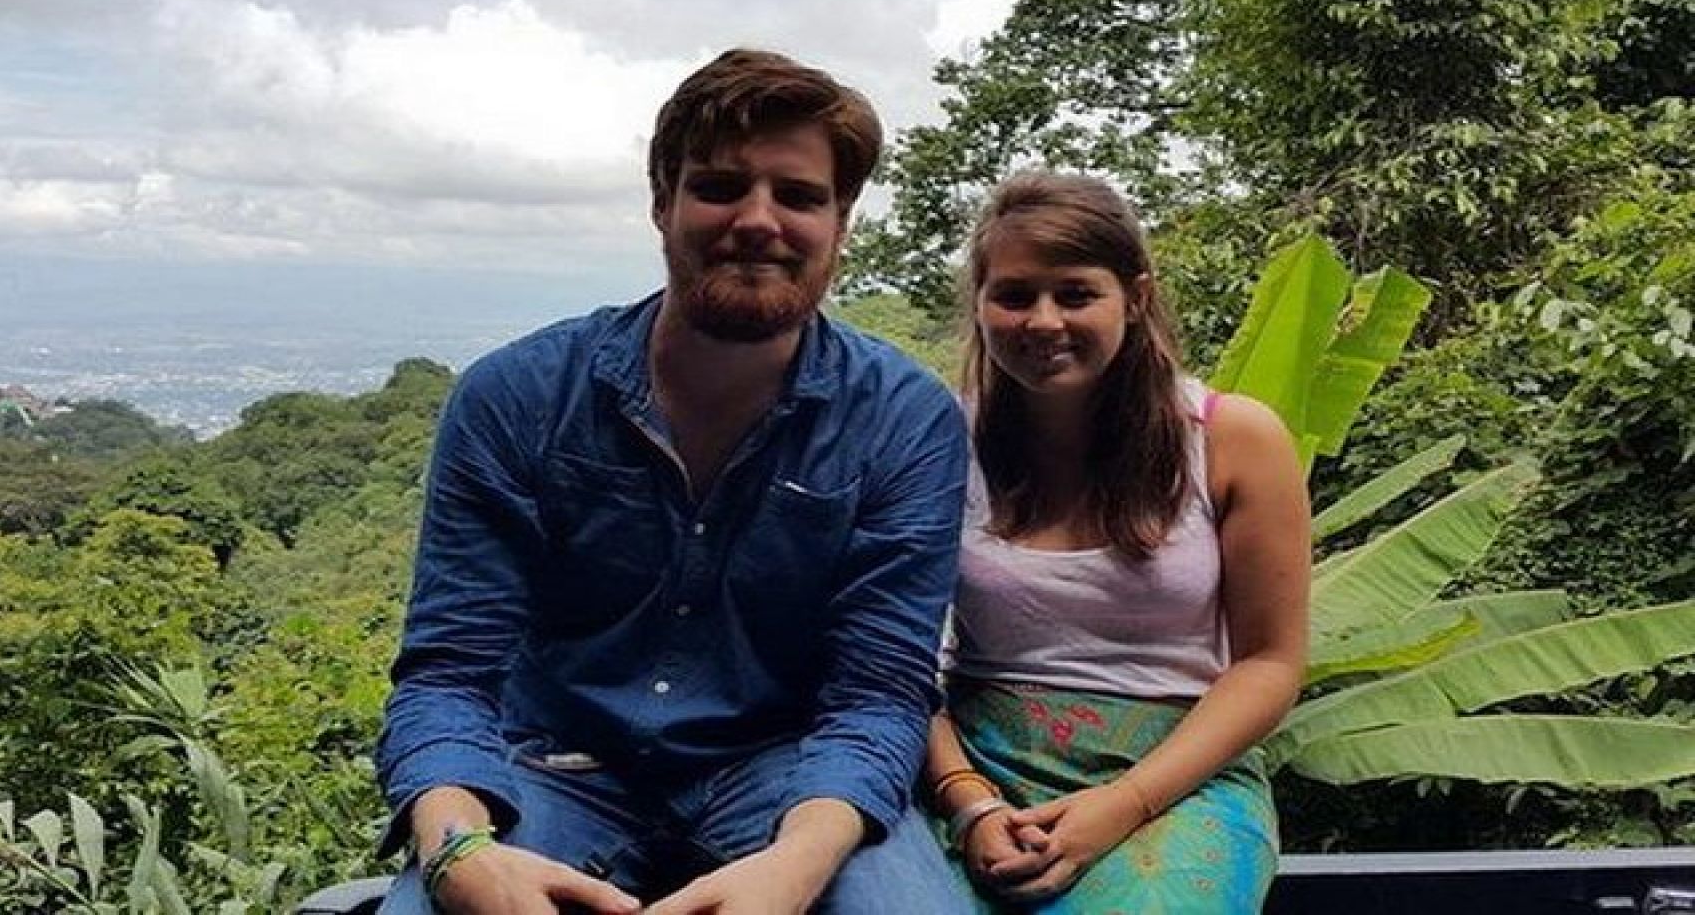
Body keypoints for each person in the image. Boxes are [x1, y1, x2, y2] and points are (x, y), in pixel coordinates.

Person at [374, 48, 974, 914]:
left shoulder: (901, 419)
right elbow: (449, 669)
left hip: (792, 769)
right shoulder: (518, 396)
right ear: (663, 202)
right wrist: (458, 845)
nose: (759, 220)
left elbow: (878, 690)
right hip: (548, 767)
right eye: (721, 186)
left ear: (841, 224)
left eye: (799, 196)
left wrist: (799, 863)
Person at [924, 172, 1310, 913]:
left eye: (1074, 293)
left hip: (1177, 776)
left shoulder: (1233, 439)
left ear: (1134, 297)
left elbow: (1269, 662)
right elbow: (890, 652)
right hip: (976, 772)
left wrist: (1125, 802)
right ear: (979, 304)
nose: (1042, 321)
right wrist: (967, 800)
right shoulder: (938, 442)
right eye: (1013, 295)